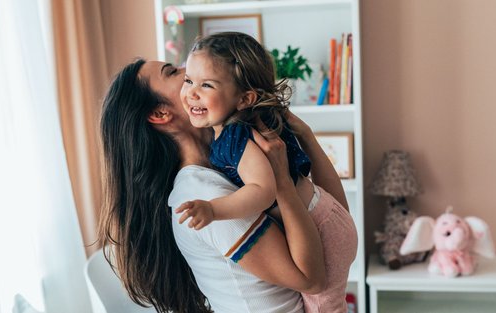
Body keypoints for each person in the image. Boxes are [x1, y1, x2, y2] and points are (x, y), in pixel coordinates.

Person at [97, 58, 350, 312]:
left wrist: (305, 135)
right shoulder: (205, 196)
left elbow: (334, 215)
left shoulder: (228, 163)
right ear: (160, 114)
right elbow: (312, 279)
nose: (192, 71)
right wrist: (281, 181)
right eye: (175, 72)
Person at [175, 32, 357, 312]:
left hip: (321, 228)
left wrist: (214, 210)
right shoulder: (246, 128)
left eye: (207, 85)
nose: (191, 92)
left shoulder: (236, 137)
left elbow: (262, 190)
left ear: (245, 98)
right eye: (188, 80)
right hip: (328, 215)